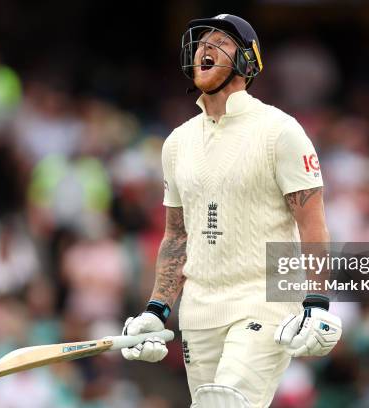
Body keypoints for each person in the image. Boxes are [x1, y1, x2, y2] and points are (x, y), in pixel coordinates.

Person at [121, 14, 342, 408]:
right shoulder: (177, 142)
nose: (204, 48)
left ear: (246, 61)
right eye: (201, 42)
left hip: (265, 298)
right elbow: (177, 236)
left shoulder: (280, 130)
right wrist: (157, 310)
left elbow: (313, 224)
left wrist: (317, 302)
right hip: (198, 312)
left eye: (220, 42)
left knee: (226, 403)